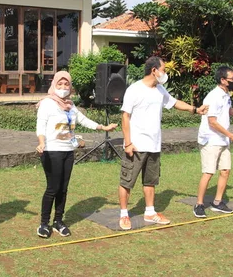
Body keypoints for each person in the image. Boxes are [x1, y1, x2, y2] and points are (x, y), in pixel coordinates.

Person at [118, 56, 208, 230]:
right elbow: (125, 116)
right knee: (127, 181)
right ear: (154, 70)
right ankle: (123, 214)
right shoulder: (134, 90)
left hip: (154, 144)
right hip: (136, 145)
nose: (165, 73)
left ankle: (150, 212)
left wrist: (195, 109)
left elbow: (174, 103)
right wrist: (128, 143)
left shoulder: (160, 90)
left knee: (150, 180)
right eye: (164, 70)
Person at [35, 70, 117, 238]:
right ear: (54, 85)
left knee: (63, 189)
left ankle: (58, 221)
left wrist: (103, 127)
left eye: (66, 84)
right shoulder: (47, 104)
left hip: (67, 151)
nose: (63, 87)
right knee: (53, 188)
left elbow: (84, 120)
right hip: (51, 151)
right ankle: (44, 224)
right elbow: (40, 126)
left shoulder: (70, 106)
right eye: (60, 84)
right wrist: (41, 143)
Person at [193, 66, 233, 218]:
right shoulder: (213, 96)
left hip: (222, 140)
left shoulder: (225, 95)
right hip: (211, 139)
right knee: (208, 172)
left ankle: (217, 202)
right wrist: (231, 135)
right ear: (223, 80)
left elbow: (229, 110)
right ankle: (199, 204)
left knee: (225, 170)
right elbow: (212, 122)